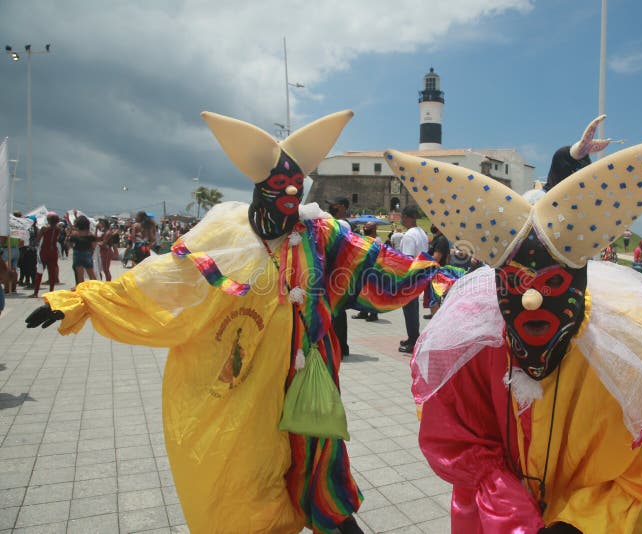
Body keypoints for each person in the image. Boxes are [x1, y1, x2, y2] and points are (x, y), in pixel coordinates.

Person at [26, 110, 457, 534]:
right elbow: (160, 281)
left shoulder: (319, 235)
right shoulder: (227, 236)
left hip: (307, 384)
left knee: (322, 477)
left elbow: (378, 262)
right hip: (245, 393)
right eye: (279, 187)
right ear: (260, 190)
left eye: (296, 186)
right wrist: (80, 299)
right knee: (249, 485)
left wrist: (436, 276)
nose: (289, 194)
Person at [384, 126, 642, 532]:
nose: (531, 300)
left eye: (550, 284)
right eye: (516, 283)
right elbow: (455, 439)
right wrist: (510, 511)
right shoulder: (475, 349)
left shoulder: (634, 355)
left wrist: (579, 522)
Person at [398, 205, 428, 353]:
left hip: (411, 277)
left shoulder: (409, 235)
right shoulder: (421, 232)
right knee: (413, 309)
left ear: (407, 217)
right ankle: (413, 337)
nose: (401, 220)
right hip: (420, 275)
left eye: (402, 217)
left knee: (409, 310)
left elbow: (408, 259)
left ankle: (413, 341)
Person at [327, 197, 352, 355]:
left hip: (337, 272)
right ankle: (341, 346)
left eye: (334, 206)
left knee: (337, 311)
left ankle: (340, 347)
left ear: (342, 207)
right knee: (336, 310)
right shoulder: (339, 223)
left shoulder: (341, 224)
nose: (331, 208)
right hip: (337, 271)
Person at [352, 221, 379, 322]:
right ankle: (363, 312)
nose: (365, 229)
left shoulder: (377, 241)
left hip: (373, 270)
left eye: (368, 228)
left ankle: (373, 314)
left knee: (373, 293)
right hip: (363, 270)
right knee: (362, 292)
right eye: (365, 227)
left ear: (374, 229)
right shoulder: (364, 239)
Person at [31, 212, 61, 298]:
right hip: (54, 251)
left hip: (44, 251)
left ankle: (36, 292)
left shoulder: (44, 228)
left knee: (39, 271)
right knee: (51, 271)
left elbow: (37, 239)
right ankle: (51, 291)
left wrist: (35, 244)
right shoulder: (58, 229)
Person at [423, 224, 450, 319]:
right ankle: (434, 315)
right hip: (435, 271)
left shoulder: (441, 240)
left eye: (435, 223)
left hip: (436, 273)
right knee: (434, 298)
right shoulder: (437, 238)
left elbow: (436, 258)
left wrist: (422, 260)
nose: (433, 225)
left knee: (434, 298)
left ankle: (436, 319)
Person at [68, 215, 98, 286]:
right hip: (87, 253)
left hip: (77, 253)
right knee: (91, 274)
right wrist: (91, 250)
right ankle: (95, 289)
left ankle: (81, 291)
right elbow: (94, 245)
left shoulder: (75, 234)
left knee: (80, 276)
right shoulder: (90, 235)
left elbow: (71, 244)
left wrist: (74, 248)